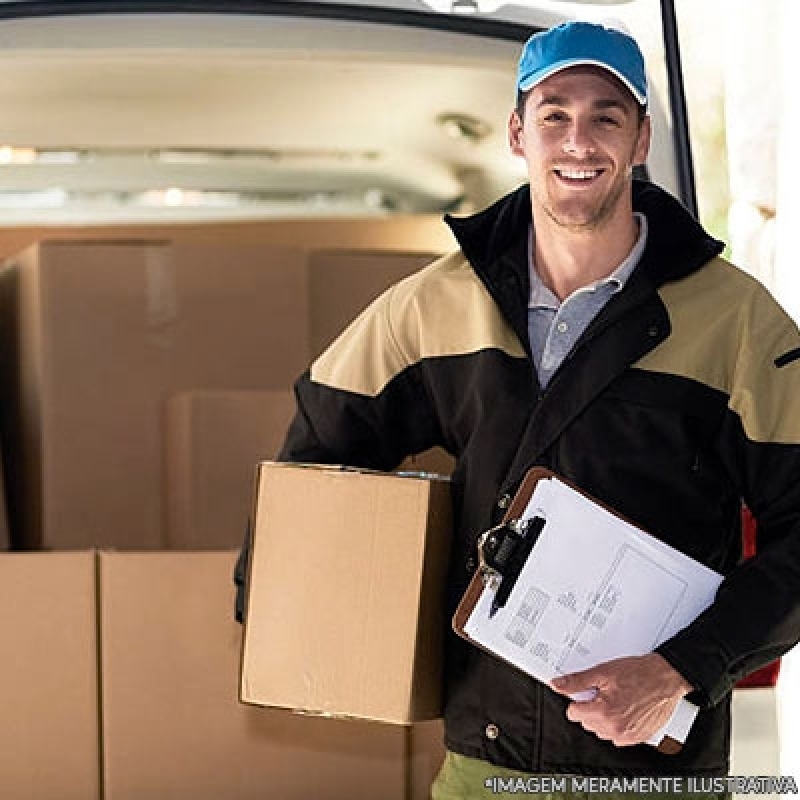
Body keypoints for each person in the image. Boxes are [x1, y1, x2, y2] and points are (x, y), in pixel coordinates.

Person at [235, 20, 800, 797]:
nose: (579, 139)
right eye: (554, 114)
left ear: (640, 140)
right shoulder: (435, 306)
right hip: (483, 763)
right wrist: (307, 613)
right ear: (517, 133)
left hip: (655, 771)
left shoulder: (736, 323)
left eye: (606, 115)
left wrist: (680, 670)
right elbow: (317, 457)